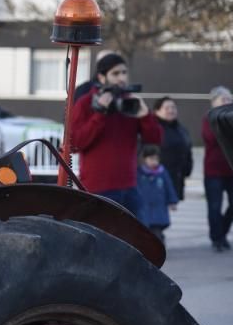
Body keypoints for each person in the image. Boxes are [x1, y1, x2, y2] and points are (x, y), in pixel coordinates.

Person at [70, 53, 161, 220]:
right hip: (98, 188)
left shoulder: (130, 102)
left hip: (130, 186)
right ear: (101, 77)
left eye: (124, 73)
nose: (122, 78)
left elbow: (154, 139)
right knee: (101, 241)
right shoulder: (85, 102)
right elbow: (75, 143)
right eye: (115, 73)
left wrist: (145, 115)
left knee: (137, 241)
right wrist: (100, 115)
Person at [202, 86, 233, 252]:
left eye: (229, 99)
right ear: (214, 102)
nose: (227, 102)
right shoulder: (209, 119)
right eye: (223, 99)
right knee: (214, 207)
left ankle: (222, 232)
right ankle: (217, 239)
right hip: (213, 172)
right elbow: (212, 138)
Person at [137, 144, 178, 243]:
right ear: (144, 159)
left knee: (157, 229)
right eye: (151, 159)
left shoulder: (162, 172)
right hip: (145, 207)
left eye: (156, 159)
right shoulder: (139, 173)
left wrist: (172, 201)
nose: (154, 162)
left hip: (159, 207)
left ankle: (158, 244)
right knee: (146, 229)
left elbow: (169, 187)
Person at [154, 96, 193, 201]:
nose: (171, 110)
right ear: (157, 111)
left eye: (173, 107)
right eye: (167, 108)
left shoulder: (181, 129)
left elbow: (188, 149)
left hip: (176, 178)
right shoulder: (153, 129)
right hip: (157, 179)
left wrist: (187, 169)